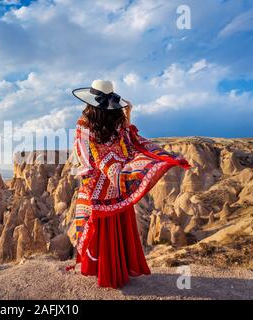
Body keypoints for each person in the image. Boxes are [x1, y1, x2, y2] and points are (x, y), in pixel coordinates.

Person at [69, 80, 191, 288]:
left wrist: (98, 175)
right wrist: (127, 117)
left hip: (99, 184)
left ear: (90, 102)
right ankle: (118, 270)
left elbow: (85, 156)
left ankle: (103, 271)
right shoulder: (118, 122)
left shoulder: (84, 124)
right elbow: (131, 143)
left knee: (101, 229)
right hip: (119, 183)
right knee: (117, 227)